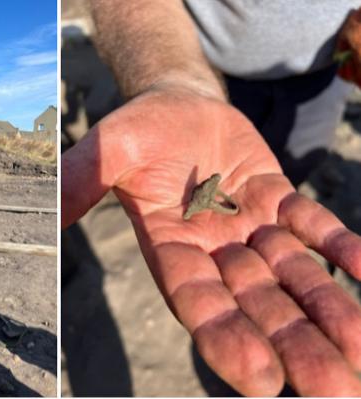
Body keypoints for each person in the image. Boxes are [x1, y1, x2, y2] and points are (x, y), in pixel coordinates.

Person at [62, 1, 361, 396]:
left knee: (284, 188)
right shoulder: (204, 183)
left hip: (324, 78)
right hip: (193, 59)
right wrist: (175, 80)